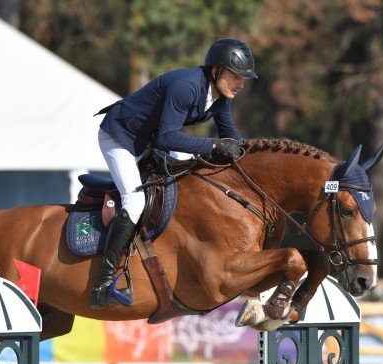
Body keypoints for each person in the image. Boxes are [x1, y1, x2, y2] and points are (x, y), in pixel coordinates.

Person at [91, 38, 258, 309]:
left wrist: (252, 160)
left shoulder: (219, 96)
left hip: (148, 141)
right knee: (135, 201)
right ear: (215, 71)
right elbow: (167, 138)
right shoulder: (187, 87)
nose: (241, 83)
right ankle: (102, 284)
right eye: (236, 76)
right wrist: (214, 146)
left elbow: (230, 136)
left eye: (244, 78)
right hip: (120, 137)